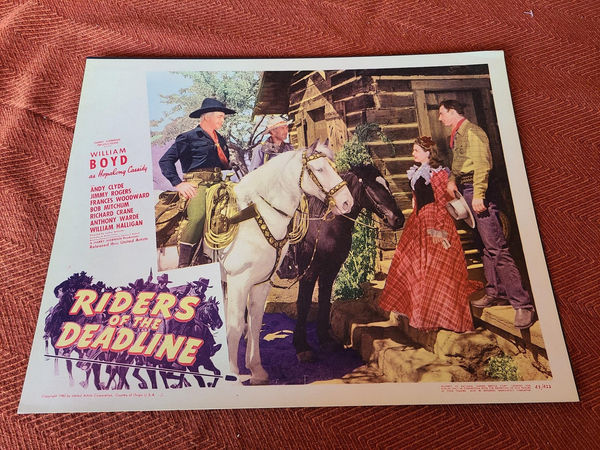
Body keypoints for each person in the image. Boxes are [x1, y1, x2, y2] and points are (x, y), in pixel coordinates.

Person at [438, 99, 535, 329]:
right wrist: (452, 181)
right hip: (466, 190)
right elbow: (460, 162)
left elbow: (482, 164)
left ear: (452, 112)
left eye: (442, 114)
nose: (440, 118)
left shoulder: (473, 132)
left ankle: (522, 304)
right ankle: (495, 291)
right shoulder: (458, 135)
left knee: (497, 248)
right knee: (483, 246)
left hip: (478, 190)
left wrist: (479, 194)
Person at [378, 136, 474, 332]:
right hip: (419, 219)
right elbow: (417, 197)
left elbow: (442, 202)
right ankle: (421, 310)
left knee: (435, 267)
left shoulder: (439, 174)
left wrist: (439, 231)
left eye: (416, 150)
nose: (413, 153)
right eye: (413, 150)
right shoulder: (417, 172)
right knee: (416, 266)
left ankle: (442, 316)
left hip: (434, 221)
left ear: (429, 153)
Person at [159, 98, 235, 268]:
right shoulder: (188, 138)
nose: (222, 120)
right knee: (198, 216)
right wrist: (179, 184)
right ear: (207, 117)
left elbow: (225, 164)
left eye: (223, 117)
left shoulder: (220, 140)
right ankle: (184, 264)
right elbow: (165, 161)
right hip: (197, 185)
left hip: (219, 183)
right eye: (220, 117)